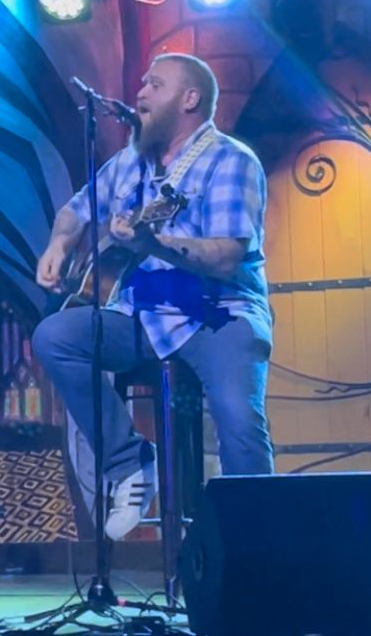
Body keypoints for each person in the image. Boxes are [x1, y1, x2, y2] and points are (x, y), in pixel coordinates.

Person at [33, 52, 274, 541]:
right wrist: (58, 246)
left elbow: (227, 258)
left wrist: (155, 243)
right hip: (140, 314)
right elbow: (74, 213)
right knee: (55, 336)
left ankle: (256, 542)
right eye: (142, 83)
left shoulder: (230, 161)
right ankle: (129, 462)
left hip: (218, 314)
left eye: (155, 85)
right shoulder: (128, 163)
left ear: (190, 99)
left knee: (238, 418)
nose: (140, 93)